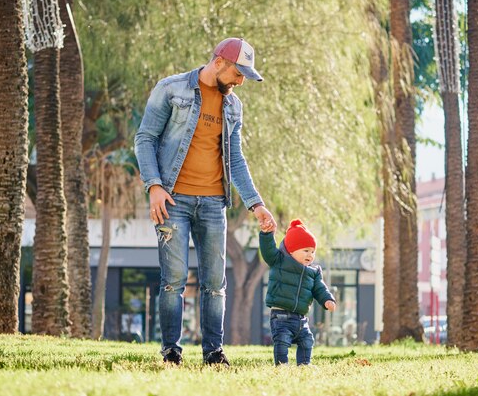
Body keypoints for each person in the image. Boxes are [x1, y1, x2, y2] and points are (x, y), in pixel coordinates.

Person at [134, 37, 277, 366]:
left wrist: (256, 204)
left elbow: (235, 159)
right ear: (219, 63)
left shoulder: (233, 106)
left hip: (214, 203)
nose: (241, 81)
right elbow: (145, 139)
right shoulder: (171, 90)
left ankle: (214, 352)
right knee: (174, 280)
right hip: (173, 200)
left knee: (215, 282)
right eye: (238, 73)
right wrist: (154, 185)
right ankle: (171, 351)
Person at [260, 219, 336, 366]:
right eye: (306, 250)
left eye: (313, 251)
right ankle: (282, 365)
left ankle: (304, 364)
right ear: (291, 250)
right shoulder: (279, 261)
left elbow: (319, 288)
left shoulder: (313, 272)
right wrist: (266, 235)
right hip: (280, 316)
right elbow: (268, 250)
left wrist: (327, 299)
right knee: (282, 341)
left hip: (301, 318)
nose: (310, 255)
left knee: (307, 340)